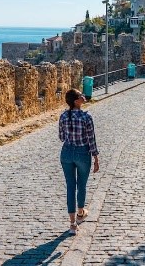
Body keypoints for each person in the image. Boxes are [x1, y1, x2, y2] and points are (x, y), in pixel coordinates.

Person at [59, 88, 100, 235]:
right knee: (81, 185)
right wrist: (96, 158)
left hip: (66, 153)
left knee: (70, 186)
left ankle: (72, 224)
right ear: (76, 101)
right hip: (82, 153)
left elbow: (61, 137)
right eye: (80, 95)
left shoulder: (63, 116)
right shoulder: (86, 117)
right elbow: (91, 139)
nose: (83, 96)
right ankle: (81, 213)